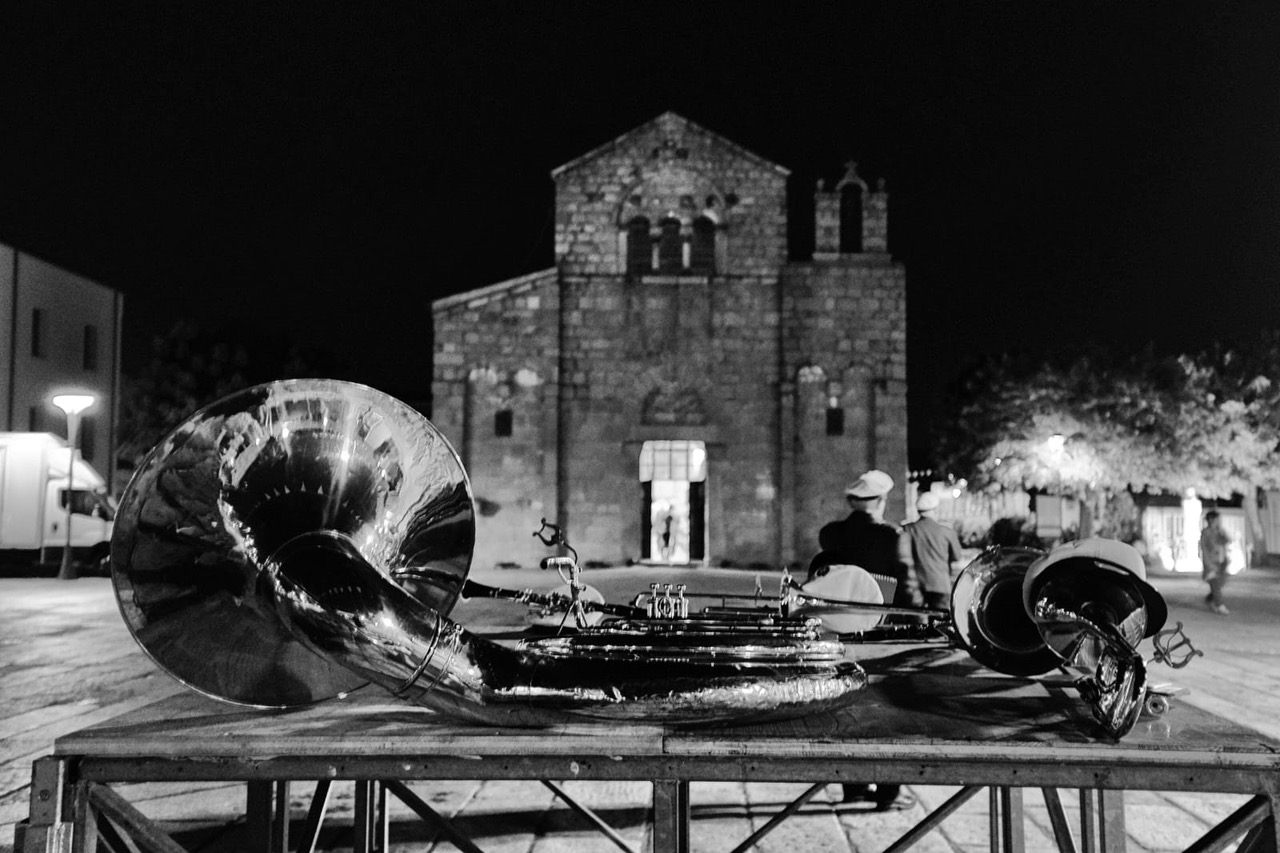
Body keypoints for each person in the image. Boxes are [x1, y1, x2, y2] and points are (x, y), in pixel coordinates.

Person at [813, 469, 917, 812]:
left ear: (852, 502)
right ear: (881, 501)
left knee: (847, 704)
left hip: (841, 631)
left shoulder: (832, 534)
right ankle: (889, 791)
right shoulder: (892, 536)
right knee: (887, 710)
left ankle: (853, 785)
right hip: (881, 632)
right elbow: (907, 587)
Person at [902, 492, 964, 612]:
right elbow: (957, 557)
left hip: (915, 586)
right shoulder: (947, 532)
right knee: (939, 623)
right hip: (940, 585)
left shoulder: (907, 529)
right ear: (935, 510)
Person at [1199, 510, 1232, 615]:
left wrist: (1222, 532)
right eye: (1217, 519)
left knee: (1221, 583)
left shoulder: (1219, 532)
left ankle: (1210, 600)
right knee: (1216, 584)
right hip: (1211, 563)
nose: (1219, 521)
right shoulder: (1206, 533)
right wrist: (1208, 565)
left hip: (1221, 562)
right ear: (1211, 520)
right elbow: (1204, 550)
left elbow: (1228, 540)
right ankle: (1219, 604)